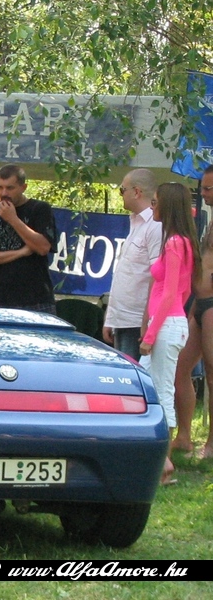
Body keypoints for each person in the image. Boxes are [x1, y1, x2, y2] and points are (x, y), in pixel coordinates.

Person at [139, 183, 199, 485]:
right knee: (145, 383)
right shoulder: (184, 242)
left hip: (166, 324)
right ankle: (152, 457)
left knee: (161, 390)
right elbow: (185, 290)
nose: (152, 207)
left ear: (168, 205)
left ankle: (163, 463)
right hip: (170, 322)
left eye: (155, 202)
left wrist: (150, 333)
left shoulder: (175, 243)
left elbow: (172, 293)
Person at [0, 164, 57, 314]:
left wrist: (13, 219)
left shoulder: (39, 209)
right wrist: (21, 252)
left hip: (37, 299)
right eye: (0, 187)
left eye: (10, 188)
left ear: (23, 187)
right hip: (0, 300)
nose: (4, 193)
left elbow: (43, 248)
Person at [173, 165, 213, 459]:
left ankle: (211, 444)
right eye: (203, 188)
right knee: (178, 367)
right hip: (199, 304)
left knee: (212, 373)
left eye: (209, 188)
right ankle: (184, 436)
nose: (204, 193)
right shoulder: (210, 222)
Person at [102, 169, 161, 360]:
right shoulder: (136, 223)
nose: (121, 194)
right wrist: (110, 318)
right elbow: (125, 274)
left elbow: (157, 277)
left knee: (134, 376)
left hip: (138, 322)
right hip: (123, 319)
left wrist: (147, 322)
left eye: (122, 190)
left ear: (136, 192)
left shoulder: (155, 225)